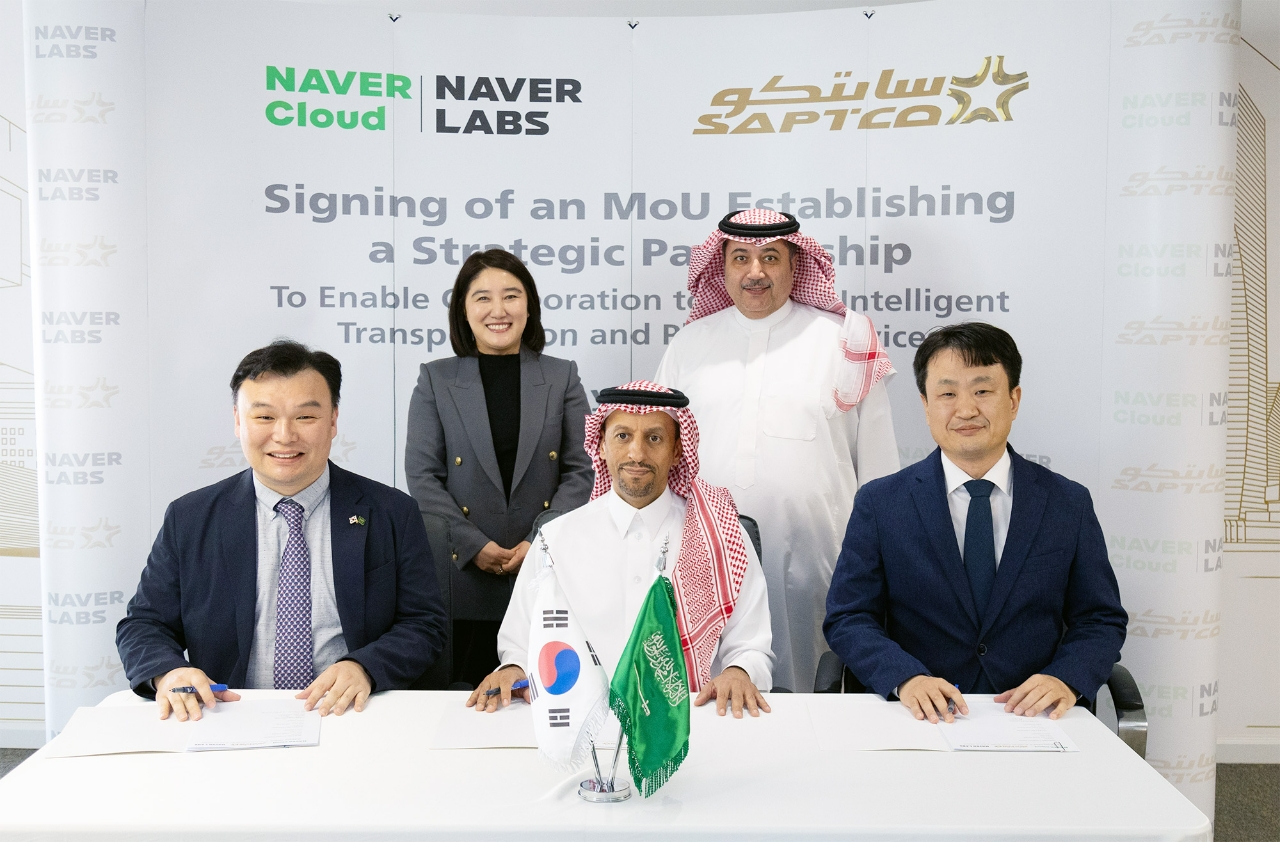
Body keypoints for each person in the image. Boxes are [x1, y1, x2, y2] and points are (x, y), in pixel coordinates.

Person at [116, 340, 447, 721]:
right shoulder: (190, 518)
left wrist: (365, 667)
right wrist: (169, 672)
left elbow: (424, 624)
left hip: (350, 714)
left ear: (333, 420)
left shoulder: (392, 512)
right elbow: (144, 624)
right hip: (229, 716)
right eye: (264, 417)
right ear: (238, 421)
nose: (285, 435)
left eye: (305, 417)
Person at [824, 323, 1127, 723]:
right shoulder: (881, 503)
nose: (966, 410)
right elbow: (848, 617)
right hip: (920, 716)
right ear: (926, 405)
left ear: (1014, 400)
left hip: (1031, 716)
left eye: (982, 391)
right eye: (947, 394)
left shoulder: (1067, 502)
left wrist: (1065, 679)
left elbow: (1100, 619)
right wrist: (906, 678)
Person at [654, 208, 899, 693]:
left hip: (817, 555)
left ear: (795, 264)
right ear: (721, 266)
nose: (755, 271)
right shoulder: (690, 343)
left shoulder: (843, 340)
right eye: (740, 258)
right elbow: (659, 448)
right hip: (705, 552)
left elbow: (879, 467)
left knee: (811, 684)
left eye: (770, 257)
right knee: (712, 690)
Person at [468, 381, 775, 718]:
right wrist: (512, 667)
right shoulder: (555, 541)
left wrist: (739, 671)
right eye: (623, 436)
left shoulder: (720, 535)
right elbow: (520, 643)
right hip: (582, 723)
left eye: (654, 438)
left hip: (692, 722)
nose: (637, 454)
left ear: (677, 451)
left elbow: (751, 646)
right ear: (601, 446)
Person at [405, 249, 593, 688]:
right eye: (483, 298)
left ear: (529, 306)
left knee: (549, 699)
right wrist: (473, 544)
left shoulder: (562, 376)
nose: (498, 310)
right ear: (463, 310)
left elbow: (582, 468)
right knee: (466, 701)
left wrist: (538, 540)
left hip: (545, 569)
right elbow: (423, 476)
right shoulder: (436, 379)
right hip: (464, 576)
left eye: (511, 296)